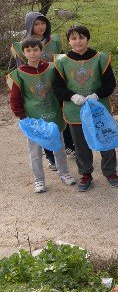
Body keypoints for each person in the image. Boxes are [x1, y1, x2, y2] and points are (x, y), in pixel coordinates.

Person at [52, 24, 118, 191]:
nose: (78, 41)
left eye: (81, 37)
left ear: (87, 38)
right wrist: (71, 96)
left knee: (105, 139)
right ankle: (85, 173)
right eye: (73, 38)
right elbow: (57, 87)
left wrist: (97, 94)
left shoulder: (100, 58)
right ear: (69, 41)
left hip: (98, 108)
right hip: (75, 110)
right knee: (80, 144)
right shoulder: (62, 61)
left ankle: (110, 171)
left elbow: (110, 83)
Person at [7, 37, 75, 192]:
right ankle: (39, 180)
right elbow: (15, 98)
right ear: (23, 53)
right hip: (33, 119)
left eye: (35, 49)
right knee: (35, 152)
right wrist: (22, 117)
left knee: (59, 147)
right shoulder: (19, 74)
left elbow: (59, 89)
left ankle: (64, 173)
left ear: (41, 50)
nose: (32, 53)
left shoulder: (51, 68)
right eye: (28, 50)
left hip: (54, 114)